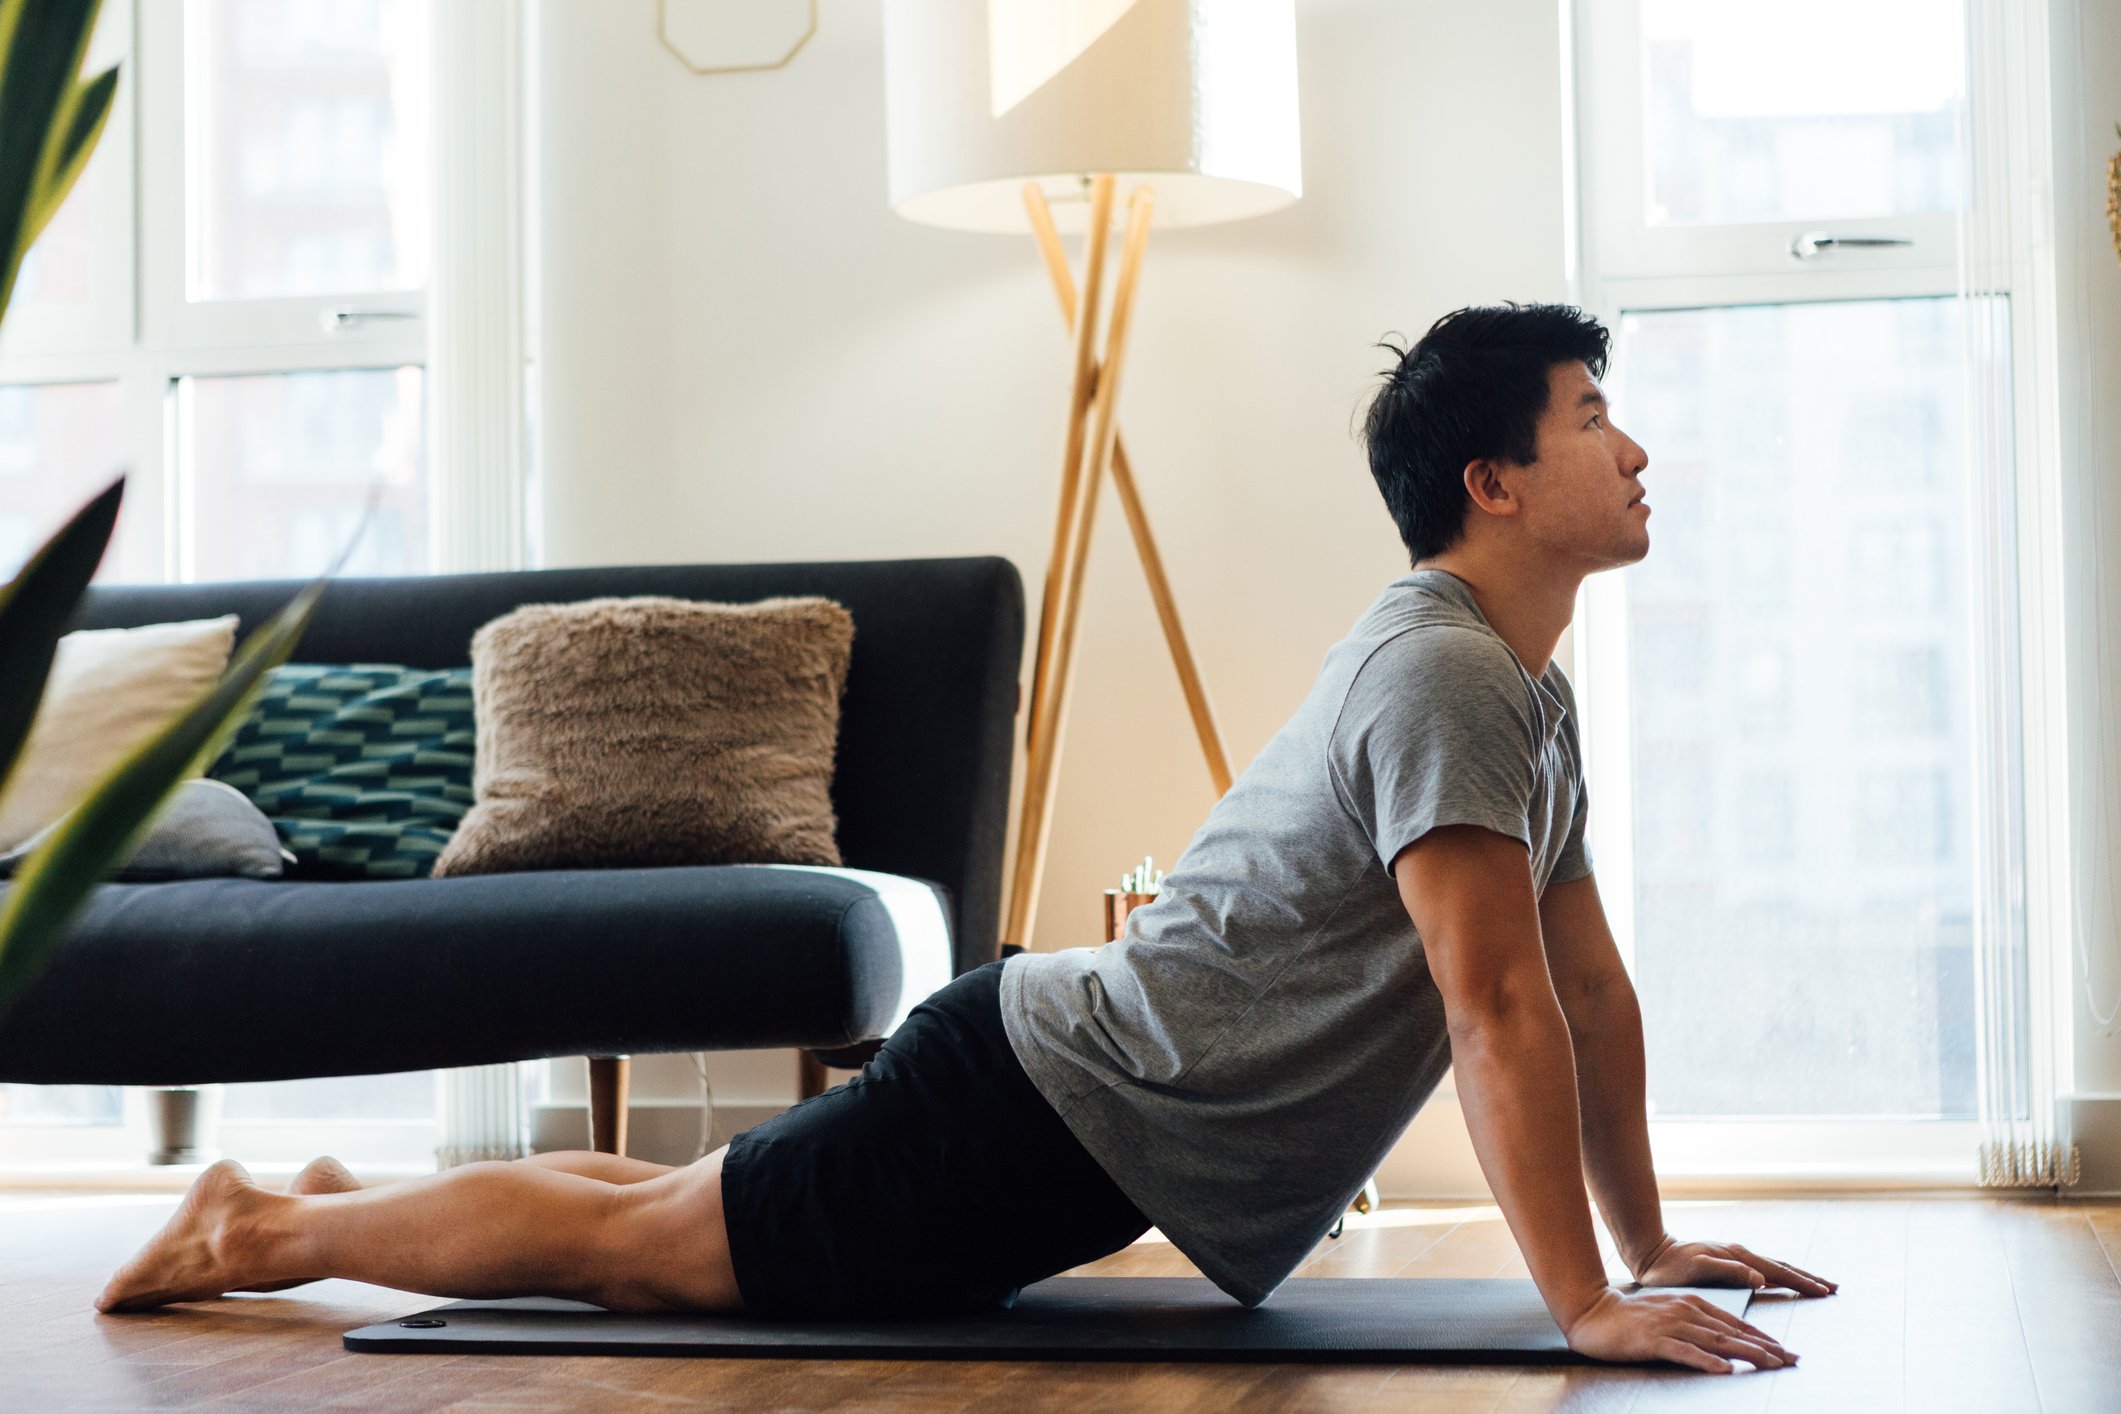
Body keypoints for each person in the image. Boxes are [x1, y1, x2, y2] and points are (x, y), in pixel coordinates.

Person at [98, 302, 1835, 1374]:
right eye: (1592, 411)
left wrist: (1645, 1238)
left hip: (1045, 1093)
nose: (1634, 442)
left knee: (691, 1208)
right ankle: (262, 1230)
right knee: (645, 1252)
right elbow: (1496, 1009)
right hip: (1030, 1111)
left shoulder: (1517, 692)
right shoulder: (1446, 673)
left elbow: (1586, 989)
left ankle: (347, 1199)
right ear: (1493, 479)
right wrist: (1581, 1303)